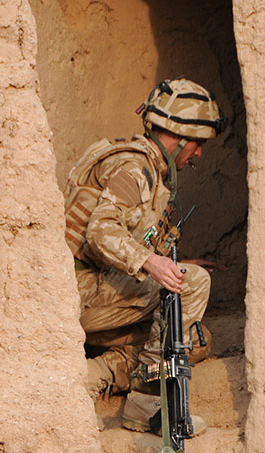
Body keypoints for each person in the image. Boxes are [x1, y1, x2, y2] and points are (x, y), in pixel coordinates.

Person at [64, 78, 226, 433]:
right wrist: (153, 263)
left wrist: (168, 261)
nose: (198, 154)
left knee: (193, 341)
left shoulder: (151, 172)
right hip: (78, 296)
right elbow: (101, 232)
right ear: (178, 136)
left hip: (101, 297)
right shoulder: (135, 169)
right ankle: (147, 399)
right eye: (197, 144)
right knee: (194, 286)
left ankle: (94, 374)